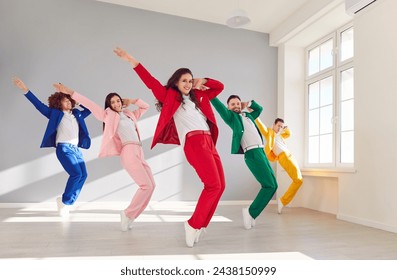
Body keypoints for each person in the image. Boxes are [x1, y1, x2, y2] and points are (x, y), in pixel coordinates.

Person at [113, 47, 225, 247]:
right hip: (194, 142)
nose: (188, 84)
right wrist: (132, 61)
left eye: (190, 80)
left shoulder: (199, 96)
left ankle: (200, 225)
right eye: (184, 80)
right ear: (175, 82)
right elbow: (151, 82)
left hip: (209, 141)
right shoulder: (170, 97)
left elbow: (219, 87)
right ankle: (192, 224)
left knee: (220, 185)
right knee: (213, 185)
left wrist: (203, 81)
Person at [53, 83, 155, 231]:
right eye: (112, 102)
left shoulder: (129, 114)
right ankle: (127, 214)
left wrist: (132, 101)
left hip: (139, 150)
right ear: (109, 105)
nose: (116, 104)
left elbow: (145, 107)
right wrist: (70, 92)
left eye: (118, 100)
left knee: (152, 186)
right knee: (145, 186)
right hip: (129, 151)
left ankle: (130, 216)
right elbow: (90, 104)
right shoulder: (107, 115)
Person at [12, 77, 91, 217]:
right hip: (64, 149)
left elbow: (91, 108)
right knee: (76, 174)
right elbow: (38, 105)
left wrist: (76, 99)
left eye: (69, 99)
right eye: (65, 99)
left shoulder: (77, 114)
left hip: (76, 150)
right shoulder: (55, 114)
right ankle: (65, 202)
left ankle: (66, 202)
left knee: (83, 175)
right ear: (58, 103)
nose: (68, 101)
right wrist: (25, 90)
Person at [211, 95, 278, 230]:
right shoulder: (231, 118)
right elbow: (219, 107)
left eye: (237, 103)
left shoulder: (248, 115)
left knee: (273, 185)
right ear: (228, 107)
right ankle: (250, 212)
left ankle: (251, 213)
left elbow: (259, 109)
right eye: (232, 104)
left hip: (261, 152)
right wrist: (211, 95)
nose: (235, 106)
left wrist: (247, 103)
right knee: (269, 185)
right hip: (252, 153)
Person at [255, 118, 303, 214]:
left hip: (290, 155)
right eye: (278, 126)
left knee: (299, 180)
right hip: (284, 157)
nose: (279, 128)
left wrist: (285, 128)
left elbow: (289, 134)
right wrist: (255, 115)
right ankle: (283, 201)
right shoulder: (269, 133)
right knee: (298, 180)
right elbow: (261, 126)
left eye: (281, 126)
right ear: (273, 125)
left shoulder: (280, 135)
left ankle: (283, 201)